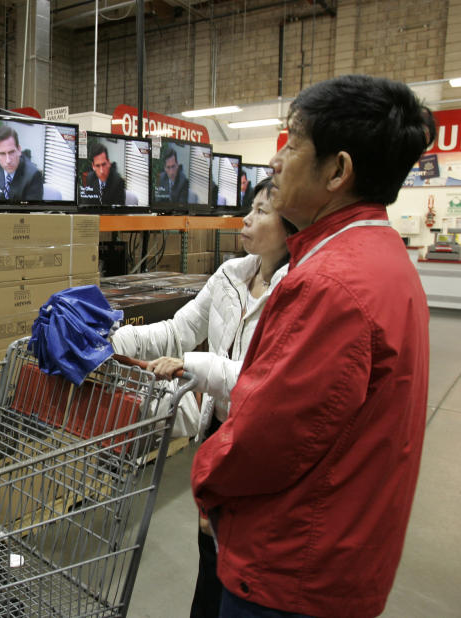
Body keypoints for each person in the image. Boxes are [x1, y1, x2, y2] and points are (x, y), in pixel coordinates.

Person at [191, 74, 435, 618]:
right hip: (340, 551)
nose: (276, 160)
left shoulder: (330, 282)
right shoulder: (380, 256)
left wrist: (205, 479)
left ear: (338, 171)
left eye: (294, 141)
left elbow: (266, 437)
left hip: (290, 571)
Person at [111, 177, 296, 618]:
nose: (248, 218)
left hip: (259, 447)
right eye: (250, 207)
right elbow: (179, 330)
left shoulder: (297, 291)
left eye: (263, 211)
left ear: (291, 225)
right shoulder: (230, 275)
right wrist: (116, 339)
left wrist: (193, 366)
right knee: (208, 560)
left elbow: (266, 380)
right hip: (218, 436)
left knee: (237, 570)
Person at [0, 125, 44, 201]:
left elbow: (31, 210)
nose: (8, 160)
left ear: (19, 150)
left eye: (11, 152)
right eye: (2, 154)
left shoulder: (33, 175)